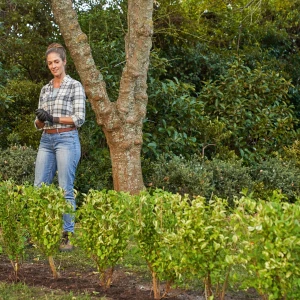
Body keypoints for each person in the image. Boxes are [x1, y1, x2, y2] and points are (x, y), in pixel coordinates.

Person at [34, 43, 86, 252]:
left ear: (64, 62)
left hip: (67, 140)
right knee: (39, 188)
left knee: (65, 189)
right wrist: (40, 120)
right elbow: (38, 124)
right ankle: (40, 231)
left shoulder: (75, 86)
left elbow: (79, 118)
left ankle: (67, 235)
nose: (53, 66)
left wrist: (53, 118)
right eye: (50, 63)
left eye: (56, 61)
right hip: (46, 140)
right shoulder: (45, 89)